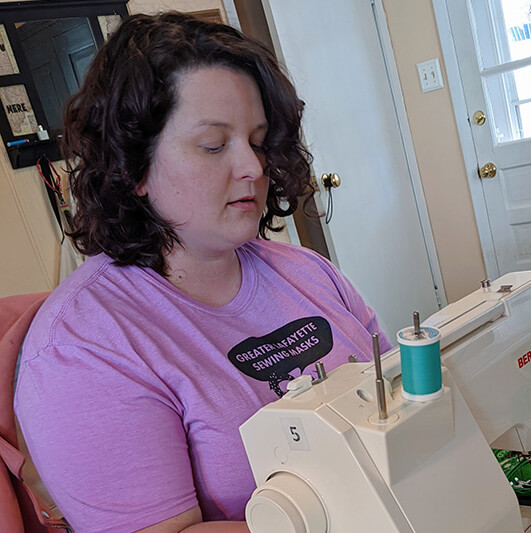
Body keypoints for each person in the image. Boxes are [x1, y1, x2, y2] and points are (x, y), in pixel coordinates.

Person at [14, 12, 392, 532]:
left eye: (257, 141)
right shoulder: (81, 347)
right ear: (135, 167)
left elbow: (400, 399)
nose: (255, 168)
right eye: (215, 145)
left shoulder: (307, 272)